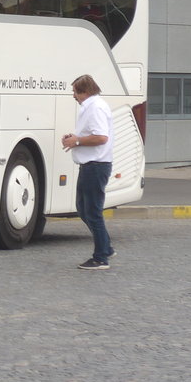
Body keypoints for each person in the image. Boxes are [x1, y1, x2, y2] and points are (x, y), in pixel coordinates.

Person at [62, 74, 113, 270]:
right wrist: (75, 138)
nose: (73, 96)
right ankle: (105, 247)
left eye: (75, 91)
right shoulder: (93, 106)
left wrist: (76, 141)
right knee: (84, 209)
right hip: (92, 165)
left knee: (91, 212)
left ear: (84, 91)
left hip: (95, 165)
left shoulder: (95, 107)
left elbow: (101, 137)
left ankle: (101, 257)